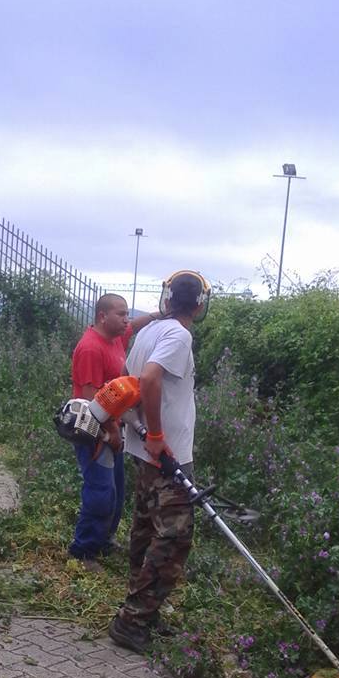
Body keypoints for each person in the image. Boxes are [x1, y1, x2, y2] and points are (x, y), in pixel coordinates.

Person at [108, 271, 209, 652]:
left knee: (146, 530)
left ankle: (142, 613)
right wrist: (155, 435)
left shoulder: (149, 332)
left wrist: (134, 425)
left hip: (146, 453)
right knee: (174, 537)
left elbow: (123, 380)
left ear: (167, 299)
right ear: (199, 306)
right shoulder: (179, 335)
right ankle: (132, 621)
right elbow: (148, 379)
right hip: (167, 457)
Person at [69, 293, 158, 568]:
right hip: (93, 429)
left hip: (112, 427)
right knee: (100, 491)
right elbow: (90, 401)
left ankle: (104, 539)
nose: (126, 320)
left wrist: (159, 316)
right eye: (121, 314)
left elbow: (136, 326)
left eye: (127, 313)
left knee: (116, 491)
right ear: (102, 316)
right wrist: (112, 433)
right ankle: (83, 551)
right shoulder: (90, 349)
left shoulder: (115, 337)